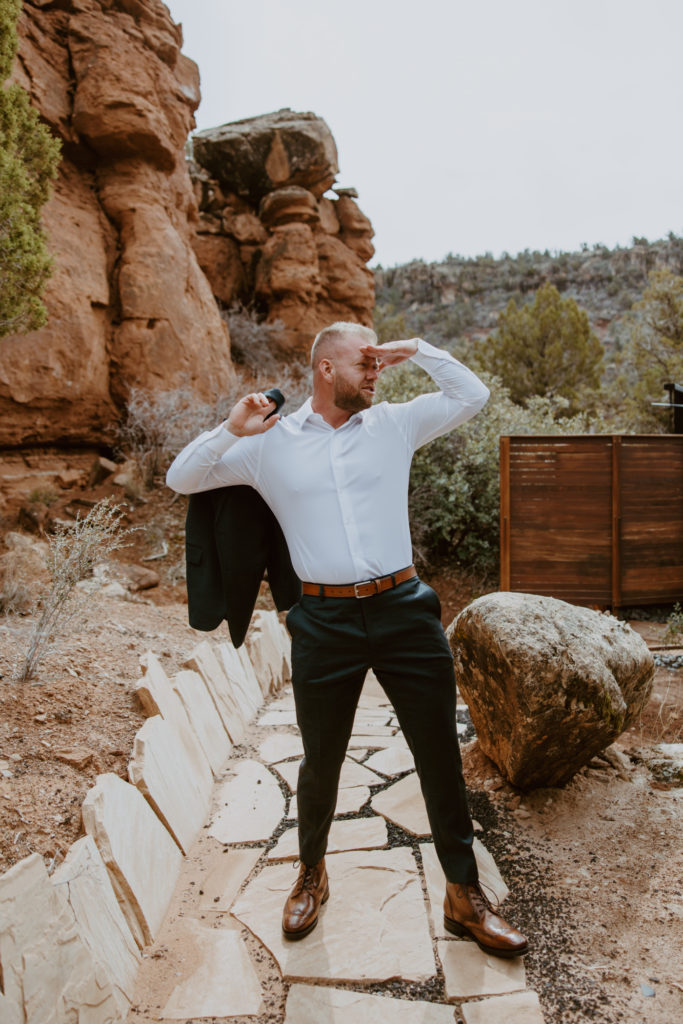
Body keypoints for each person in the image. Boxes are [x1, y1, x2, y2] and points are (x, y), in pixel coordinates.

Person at [166, 322, 528, 958]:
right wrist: (231, 429)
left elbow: (471, 396)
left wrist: (416, 350)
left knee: (438, 751)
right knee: (322, 759)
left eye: (378, 360)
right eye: (364, 360)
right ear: (325, 369)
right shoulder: (268, 447)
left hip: (405, 611)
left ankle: (463, 895)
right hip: (323, 621)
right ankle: (311, 874)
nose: (375, 369)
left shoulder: (394, 424)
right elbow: (181, 478)